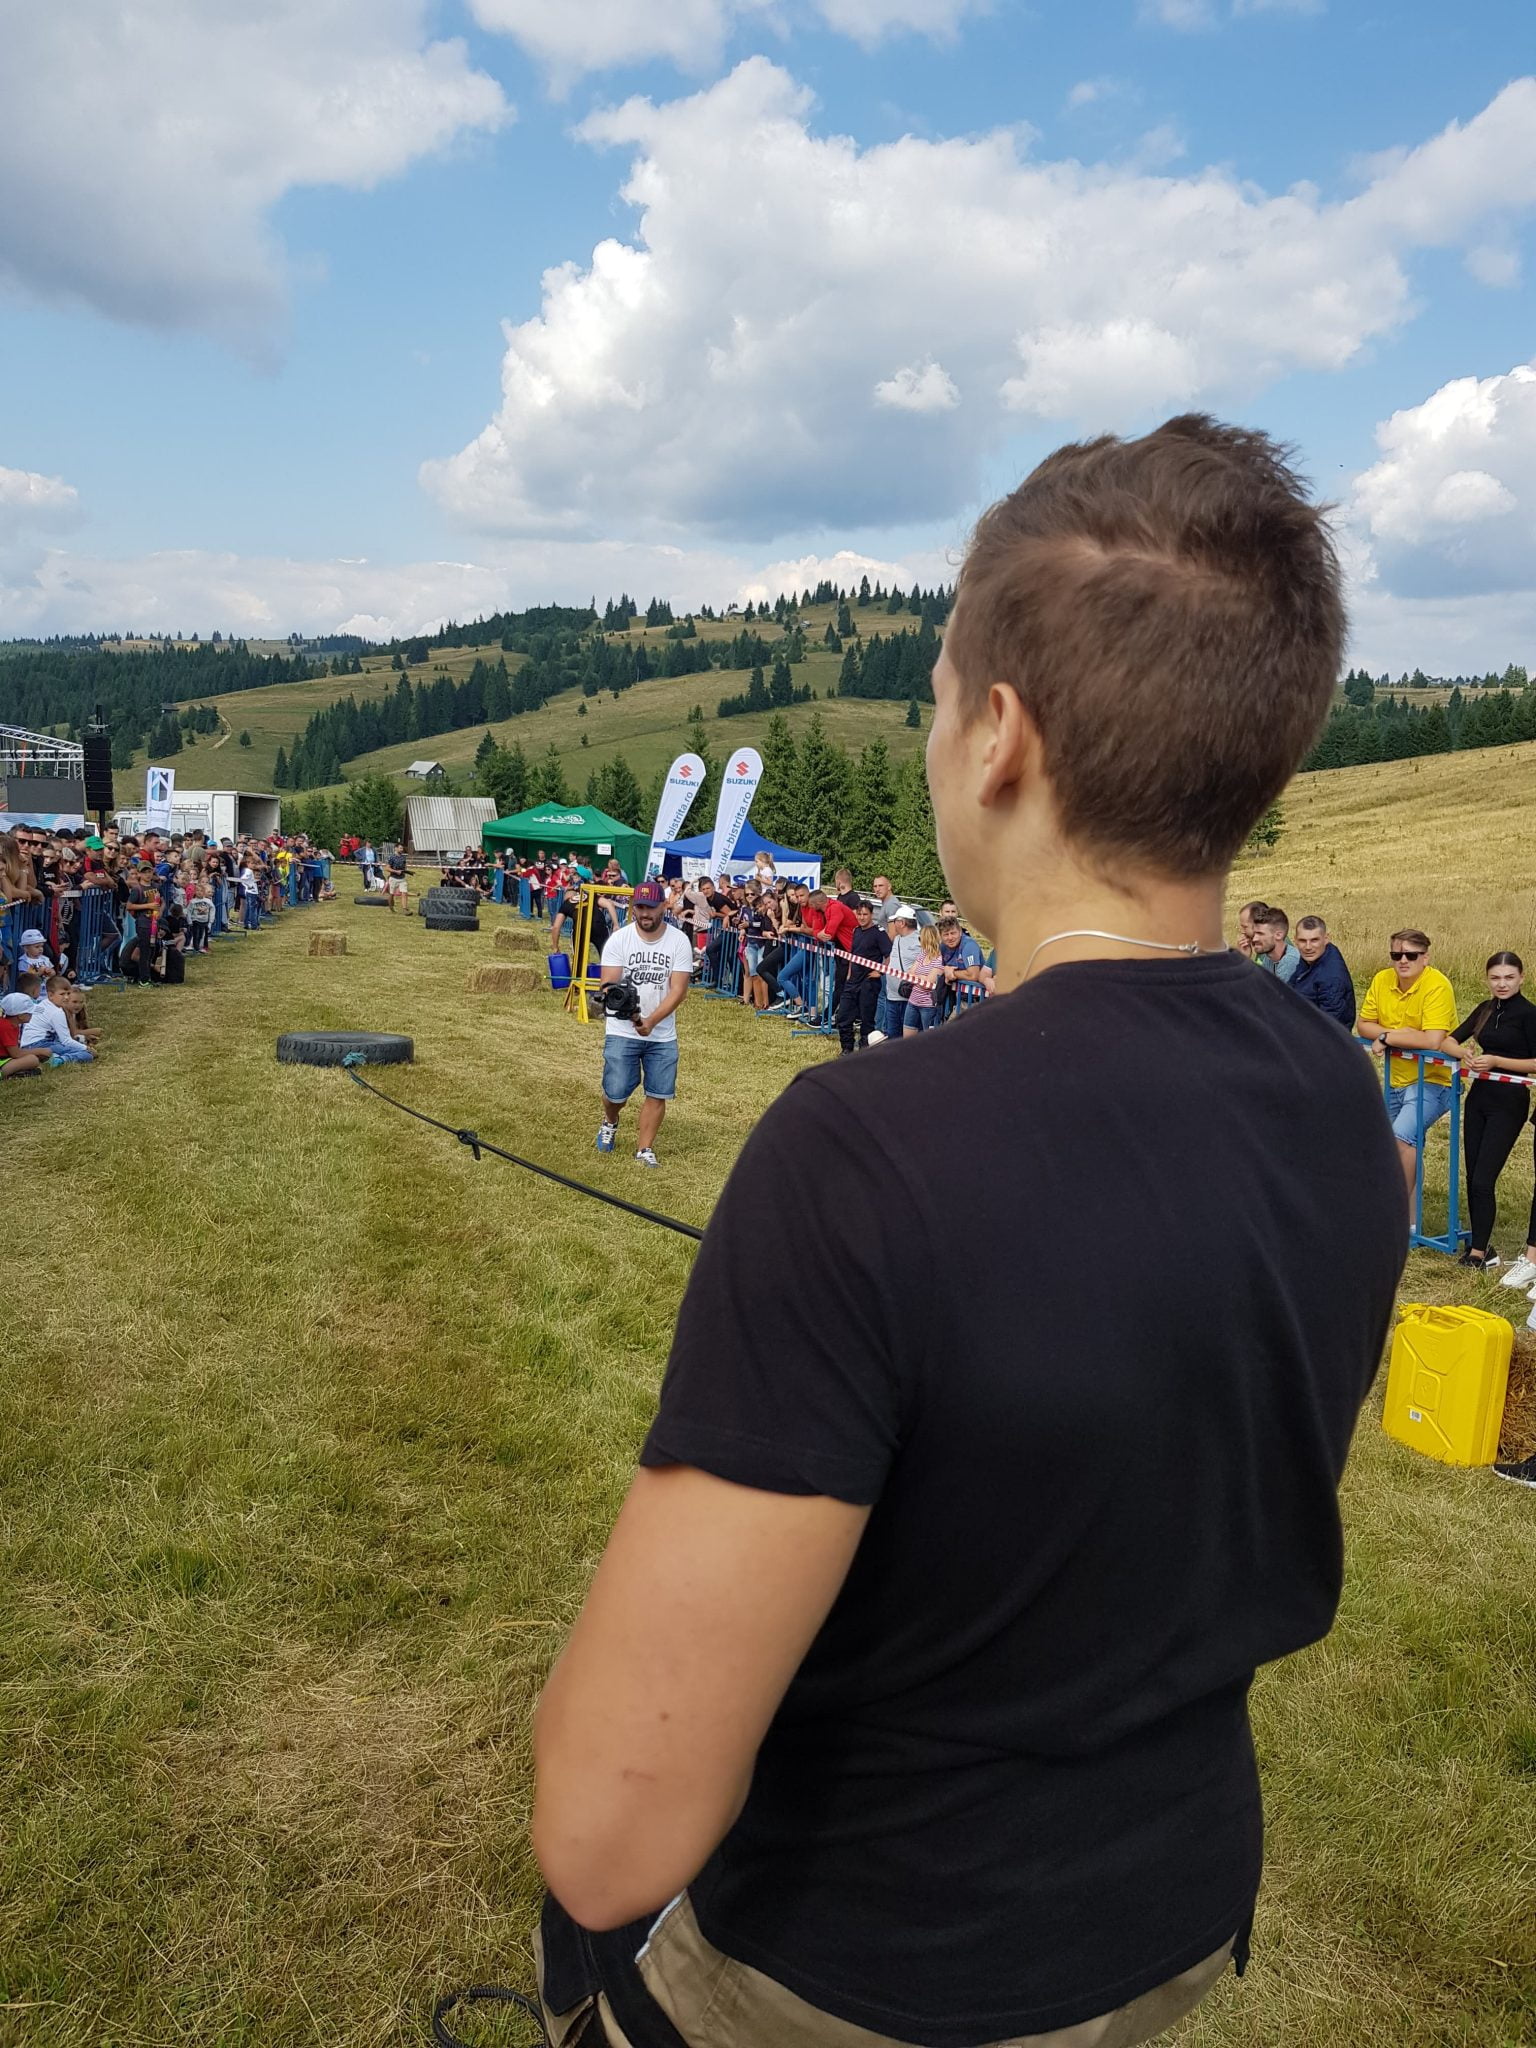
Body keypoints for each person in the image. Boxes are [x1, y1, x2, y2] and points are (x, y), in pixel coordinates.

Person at [531, 416, 1405, 2048]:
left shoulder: (861, 1149)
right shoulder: (1336, 1101)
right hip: (1167, 1911)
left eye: (936, 696)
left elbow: (606, 1830)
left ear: (998, 736)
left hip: (866, 1967)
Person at [1439, 955, 1536, 1273]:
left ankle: (1479, 1253)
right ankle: (1480, 1246)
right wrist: (1463, 1053)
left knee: (1484, 1178)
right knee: (1472, 1176)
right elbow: (1448, 1041)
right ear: (1487, 979)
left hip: (1509, 1102)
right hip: (1479, 1097)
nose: (1502, 984)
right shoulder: (1484, 1009)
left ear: (1521, 978)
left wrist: (1495, 1061)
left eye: (1509, 977)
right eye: (1495, 978)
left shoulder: (1529, 1014)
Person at [595, 880, 694, 1169]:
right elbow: (608, 985)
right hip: (622, 1031)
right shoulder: (619, 940)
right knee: (616, 1091)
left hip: (662, 1034)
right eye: (639, 907)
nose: (645, 913)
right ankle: (610, 1120)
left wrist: (650, 1021)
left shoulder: (678, 941)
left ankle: (644, 1149)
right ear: (633, 908)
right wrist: (624, 1005)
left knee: (658, 1092)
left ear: (664, 906)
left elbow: (678, 990)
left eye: (651, 907)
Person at [1357, 929, 1459, 1199]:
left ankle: (1390, 1208)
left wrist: (1388, 1037)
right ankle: (1411, 1218)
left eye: (1411, 955)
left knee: (1400, 1141)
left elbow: (1433, 1040)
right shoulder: (1382, 979)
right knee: (1396, 1147)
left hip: (1433, 1081)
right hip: (1396, 1080)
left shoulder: (1437, 985)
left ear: (1425, 957)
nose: (1402, 960)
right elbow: (1363, 1025)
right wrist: (1403, 1034)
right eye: (1396, 955)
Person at [833, 898, 889, 1052]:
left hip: (869, 982)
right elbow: (853, 954)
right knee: (843, 1016)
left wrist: (881, 971)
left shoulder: (879, 933)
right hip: (853, 981)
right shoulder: (856, 931)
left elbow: (889, 955)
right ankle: (847, 1049)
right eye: (859, 914)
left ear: (871, 915)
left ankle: (865, 1050)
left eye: (865, 914)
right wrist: (849, 974)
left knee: (866, 1020)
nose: (862, 917)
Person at [1290, 915, 1356, 1027]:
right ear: (1295, 940)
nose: (1308, 947)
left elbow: (1329, 1025)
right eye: (1302, 941)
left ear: (1326, 939)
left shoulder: (1332, 977)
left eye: (1314, 940)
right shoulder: (1312, 958)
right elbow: (1289, 990)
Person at [21, 973, 94, 1062]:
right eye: (62, 994)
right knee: (87, 1055)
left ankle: (54, 1056)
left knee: (67, 1047)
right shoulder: (56, 1012)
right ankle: (60, 1060)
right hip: (41, 1044)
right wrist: (86, 1048)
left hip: (26, 1046)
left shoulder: (44, 1003)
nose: (66, 997)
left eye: (68, 993)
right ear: (51, 995)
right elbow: (66, 1040)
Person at [901, 921, 945, 1034]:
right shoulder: (922, 954)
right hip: (913, 1001)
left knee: (929, 1038)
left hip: (928, 1005)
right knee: (907, 1035)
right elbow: (909, 975)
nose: (919, 941)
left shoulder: (940, 959)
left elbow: (928, 983)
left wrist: (917, 977)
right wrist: (921, 977)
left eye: (920, 938)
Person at [1252, 906, 1299, 982]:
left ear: (1278, 935)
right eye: (1255, 934)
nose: (1254, 939)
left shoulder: (1290, 961)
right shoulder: (1269, 958)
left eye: (1260, 934)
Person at [385, 844, 409, 913]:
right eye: (400, 848)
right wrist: (396, 871)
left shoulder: (403, 857)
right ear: (396, 848)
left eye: (402, 848)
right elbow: (387, 868)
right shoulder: (391, 857)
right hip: (393, 878)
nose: (402, 849)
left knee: (404, 893)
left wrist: (407, 871)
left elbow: (405, 867)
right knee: (391, 894)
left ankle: (405, 909)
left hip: (402, 878)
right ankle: (391, 907)